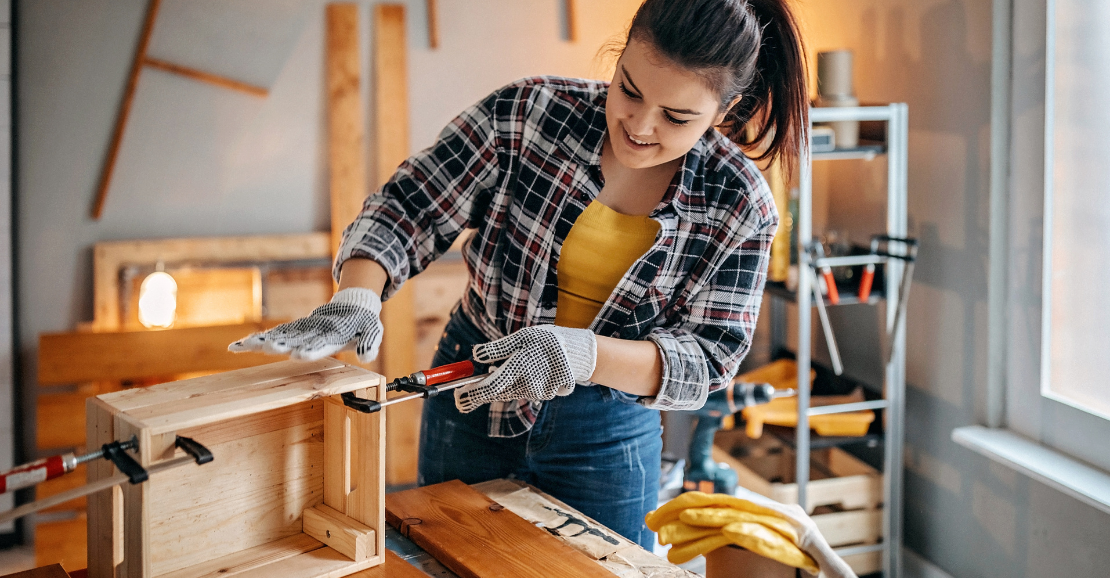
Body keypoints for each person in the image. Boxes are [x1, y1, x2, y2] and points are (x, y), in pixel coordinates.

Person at [230, 0, 807, 550]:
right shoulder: (527, 114)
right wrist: (358, 293)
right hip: (474, 384)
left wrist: (579, 354)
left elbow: (708, 358)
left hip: (606, 427)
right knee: (449, 556)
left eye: (677, 117)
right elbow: (411, 207)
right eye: (628, 89)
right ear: (622, 53)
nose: (639, 124)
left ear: (723, 114)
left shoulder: (740, 203)